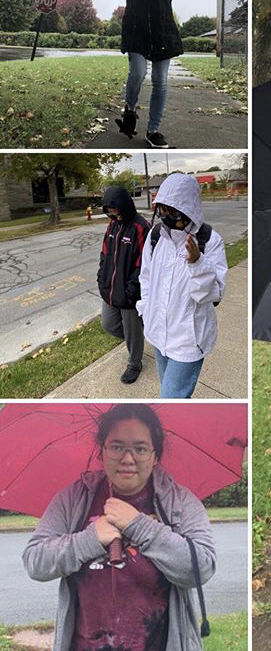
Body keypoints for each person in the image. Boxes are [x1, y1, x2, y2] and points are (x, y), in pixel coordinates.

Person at [23, 404, 215, 651]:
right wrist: (90, 539)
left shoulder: (179, 502)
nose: (127, 458)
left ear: (156, 455)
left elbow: (202, 568)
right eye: (117, 446)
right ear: (102, 450)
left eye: (140, 448)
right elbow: (35, 562)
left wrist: (139, 526)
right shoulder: (73, 499)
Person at [137, 173, 227, 398]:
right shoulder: (156, 236)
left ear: (188, 208)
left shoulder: (209, 240)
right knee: (168, 392)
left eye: (173, 211)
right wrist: (145, 310)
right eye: (163, 210)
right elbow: (146, 277)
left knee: (170, 399)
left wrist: (197, 263)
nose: (167, 216)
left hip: (188, 340)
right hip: (158, 333)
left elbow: (213, 295)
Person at [115, 0, 183, 149]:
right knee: (138, 72)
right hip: (137, 25)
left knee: (160, 80)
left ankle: (154, 130)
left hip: (162, 26)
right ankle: (130, 109)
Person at [97, 186, 150, 384]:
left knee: (132, 330)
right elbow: (104, 255)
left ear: (124, 206)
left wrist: (132, 289)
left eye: (114, 210)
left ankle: (134, 363)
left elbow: (145, 263)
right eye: (108, 211)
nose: (112, 214)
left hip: (130, 293)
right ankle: (136, 338)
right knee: (109, 324)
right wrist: (102, 279)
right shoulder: (111, 226)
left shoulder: (140, 227)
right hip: (110, 290)